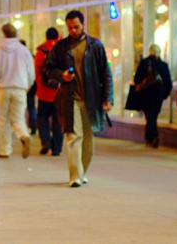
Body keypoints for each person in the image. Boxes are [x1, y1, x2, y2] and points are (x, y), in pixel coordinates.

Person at [45, 10, 113, 188]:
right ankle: (75, 175)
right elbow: (48, 69)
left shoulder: (95, 46)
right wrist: (62, 75)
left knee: (88, 140)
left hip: (92, 99)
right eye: (70, 27)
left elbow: (106, 74)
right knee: (74, 136)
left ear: (83, 25)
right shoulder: (60, 47)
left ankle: (82, 171)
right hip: (70, 98)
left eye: (76, 27)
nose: (73, 30)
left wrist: (108, 98)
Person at [0, 23, 35, 159]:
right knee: (18, 118)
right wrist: (28, 84)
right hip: (20, 88)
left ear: (4, 34)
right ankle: (24, 135)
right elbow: (30, 71)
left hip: (4, 88)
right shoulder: (24, 50)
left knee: (3, 119)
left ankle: (5, 149)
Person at [133, 44, 173, 148]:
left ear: (149, 51)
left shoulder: (145, 62)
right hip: (158, 95)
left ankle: (154, 137)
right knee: (152, 116)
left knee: (150, 116)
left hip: (147, 94)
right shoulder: (163, 65)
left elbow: (137, 78)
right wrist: (165, 94)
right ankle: (149, 138)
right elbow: (168, 82)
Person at [35, 27, 63, 156]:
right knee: (58, 120)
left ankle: (45, 141)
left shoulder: (41, 51)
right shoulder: (63, 49)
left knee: (42, 117)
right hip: (60, 91)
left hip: (44, 92)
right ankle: (56, 148)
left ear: (46, 37)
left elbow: (37, 72)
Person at [20, 39, 37, 135]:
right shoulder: (30, 55)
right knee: (31, 106)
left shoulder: (19, 57)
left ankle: (23, 126)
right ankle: (33, 124)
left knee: (22, 107)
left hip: (23, 84)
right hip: (31, 84)